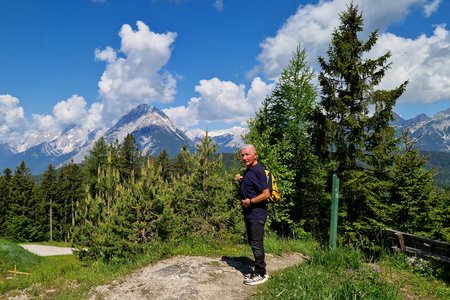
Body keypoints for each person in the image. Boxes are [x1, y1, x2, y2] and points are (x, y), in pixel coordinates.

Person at [235, 144, 270, 285]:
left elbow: (266, 194)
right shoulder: (250, 170)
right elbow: (252, 186)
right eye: (242, 155)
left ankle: (261, 273)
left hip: (256, 213)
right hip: (250, 213)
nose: (244, 158)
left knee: (256, 243)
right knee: (253, 242)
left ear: (255, 155)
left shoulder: (258, 170)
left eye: (247, 154)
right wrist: (241, 180)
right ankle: (258, 270)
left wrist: (250, 201)